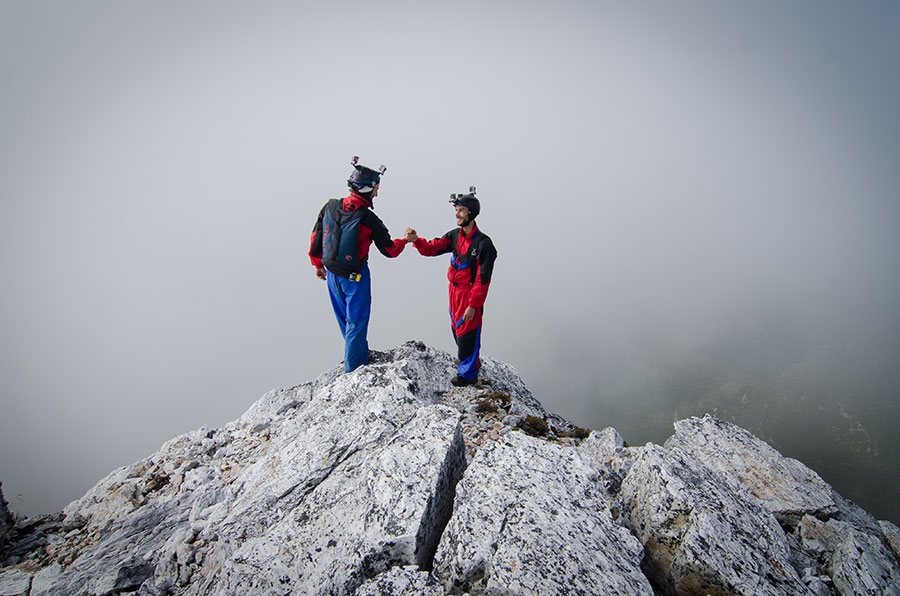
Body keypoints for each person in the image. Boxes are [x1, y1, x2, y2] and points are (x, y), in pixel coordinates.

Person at [308, 157, 410, 372]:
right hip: (355, 277)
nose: (377, 193)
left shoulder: (330, 206)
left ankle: (358, 353)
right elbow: (390, 250)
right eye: (375, 188)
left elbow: (317, 235)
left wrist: (317, 264)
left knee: (345, 321)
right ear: (367, 189)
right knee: (357, 321)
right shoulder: (368, 219)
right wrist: (406, 240)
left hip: (331, 273)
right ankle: (354, 370)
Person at [406, 187, 498, 386]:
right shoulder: (455, 236)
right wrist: (416, 241)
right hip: (453, 293)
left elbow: (483, 280)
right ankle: (470, 364)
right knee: (457, 332)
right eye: (456, 209)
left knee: (467, 335)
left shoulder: (484, 245)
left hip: (469, 296)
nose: (457, 214)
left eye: (461, 210)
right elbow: (432, 248)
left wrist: (473, 305)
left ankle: (467, 377)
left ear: (471, 213)